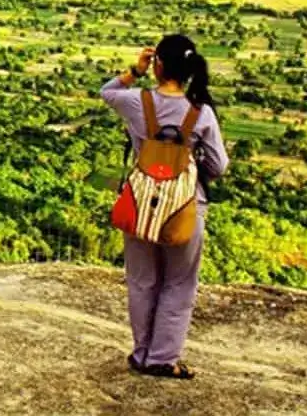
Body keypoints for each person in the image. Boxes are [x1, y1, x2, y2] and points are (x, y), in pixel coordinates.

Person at [101, 34, 229, 380]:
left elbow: (107, 91)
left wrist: (134, 71)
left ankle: (141, 353)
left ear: (157, 65)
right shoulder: (200, 114)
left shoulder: (136, 102)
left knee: (142, 280)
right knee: (179, 282)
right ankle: (162, 357)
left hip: (140, 204)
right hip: (185, 209)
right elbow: (218, 166)